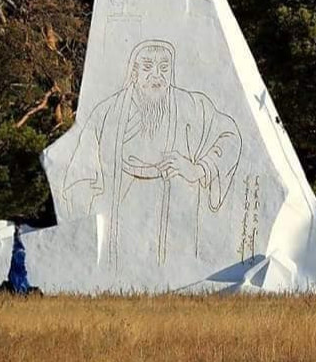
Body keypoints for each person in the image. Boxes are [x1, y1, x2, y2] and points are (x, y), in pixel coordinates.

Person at [62, 39, 242, 268]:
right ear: (134, 72)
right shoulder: (107, 114)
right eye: (147, 67)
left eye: (164, 68)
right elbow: (80, 176)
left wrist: (199, 168)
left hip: (176, 216)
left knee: (174, 269)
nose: (156, 75)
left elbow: (230, 136)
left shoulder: (192, 106)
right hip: (121, 211)